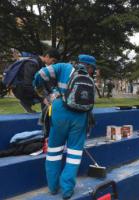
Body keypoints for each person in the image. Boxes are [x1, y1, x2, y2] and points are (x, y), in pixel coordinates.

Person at [33, 54, 96, 199]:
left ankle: (53, 187)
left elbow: (40, 74)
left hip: (59, 112)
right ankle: (67, 190)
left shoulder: (63, 67)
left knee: (54, 151)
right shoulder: (89, 79)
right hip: (80, 118)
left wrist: (42, 92)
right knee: (74, 155)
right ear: (91, 67)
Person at [12, 48, 60, 113]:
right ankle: (26, 102)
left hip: (25, 87)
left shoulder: (41, 64)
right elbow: (28, 84)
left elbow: (46, 82)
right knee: (45, 95)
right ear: (47, 56)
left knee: (48, 93)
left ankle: (45, 111)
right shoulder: (32, 64)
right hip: (20, 89)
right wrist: (43, 98)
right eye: (53, 60)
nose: (53, 63)